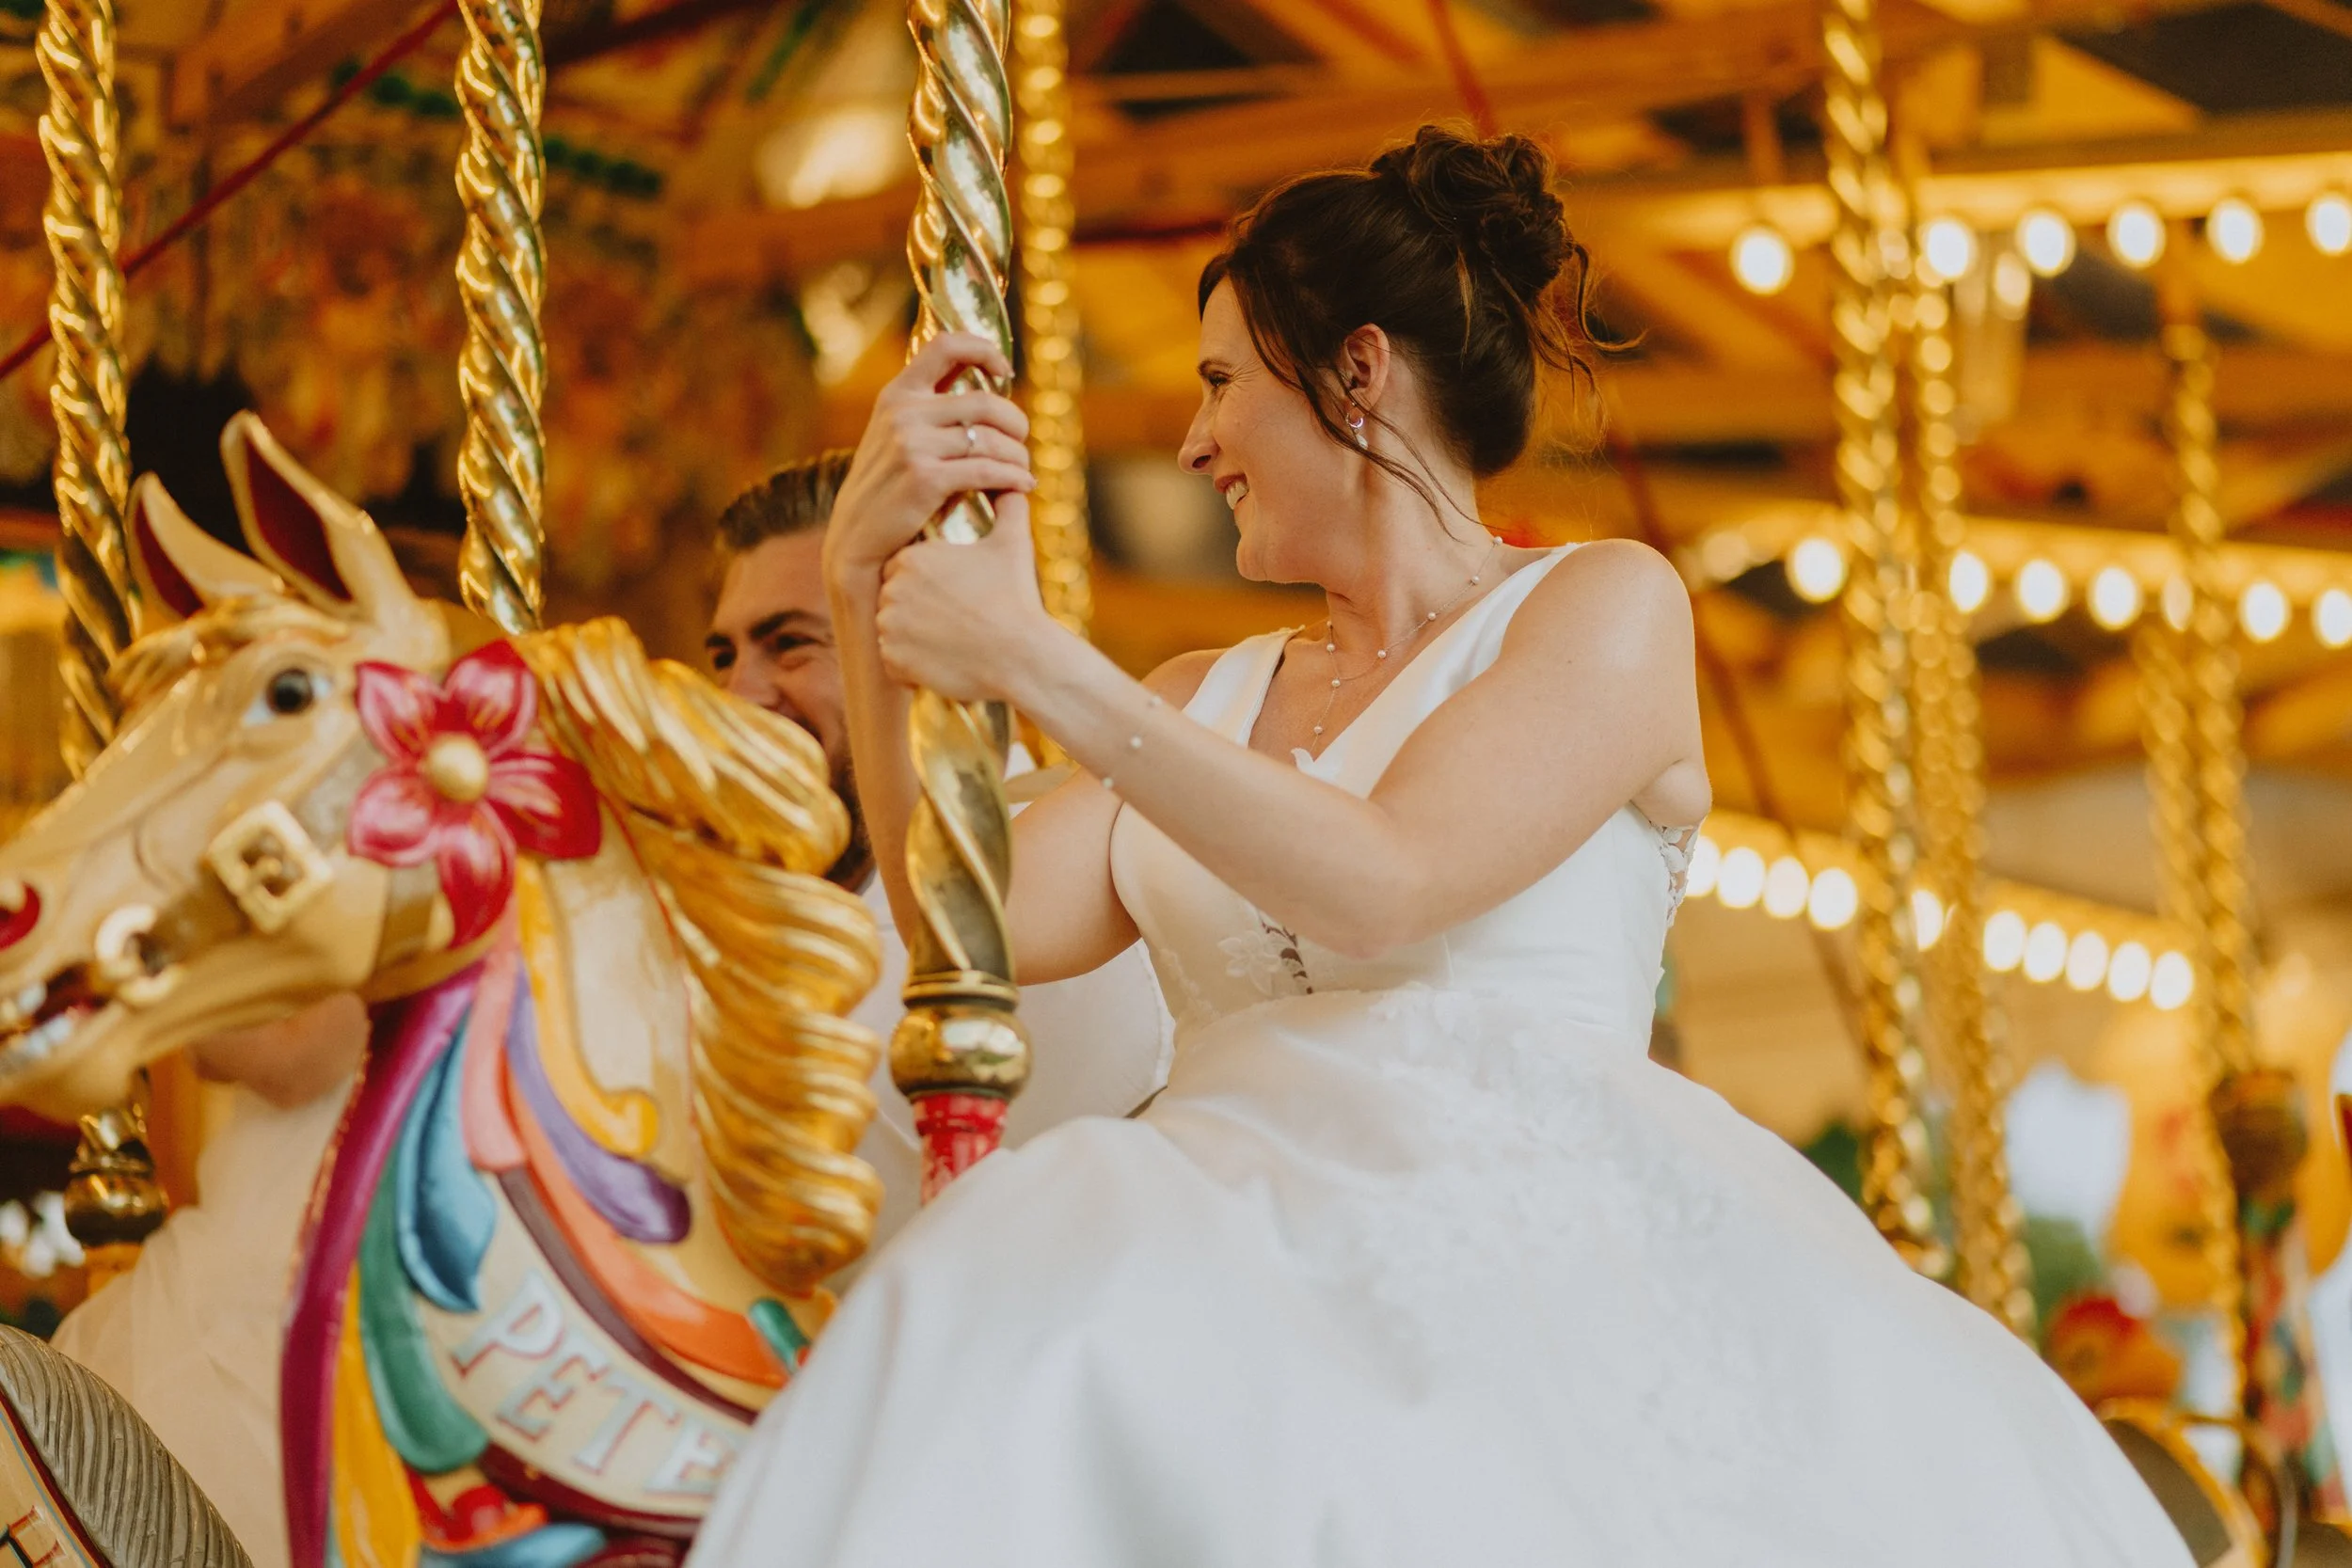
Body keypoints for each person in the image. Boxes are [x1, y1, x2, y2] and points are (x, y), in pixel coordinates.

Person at [691, 127, 2190, 1565]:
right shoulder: (1201, 700)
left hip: (1531, 1238)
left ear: (1357, 371)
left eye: (1221, 381)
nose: (1194, 434)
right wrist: (868, 593)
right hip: (1230, 1220)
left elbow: (1386, 871)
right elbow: (978, 923)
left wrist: (1040, 663)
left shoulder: (1600, 610)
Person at [706, 453, 1172, 1253]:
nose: (737, 694)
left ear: (917, 649)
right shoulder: (736, 901)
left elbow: (819, 1226)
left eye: (789, 643)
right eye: (722, 655)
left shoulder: (1061, 897)